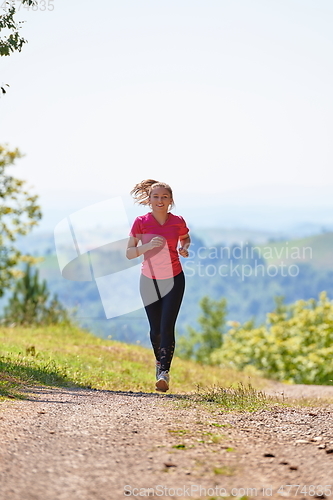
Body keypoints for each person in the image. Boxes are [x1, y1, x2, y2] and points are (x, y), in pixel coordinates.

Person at [126, 179, 191, 392]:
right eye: (156, 197)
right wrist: (146, 246)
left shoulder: (178, 221)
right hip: (149, 281)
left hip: (174, 279)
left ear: (171, 200)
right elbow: (129, 253)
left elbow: (185, 237)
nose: (160, 200)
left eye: (164, 197)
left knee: (166, 327)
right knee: (155, 331)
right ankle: (159, 365)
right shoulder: (141, 222)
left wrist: (184, 247)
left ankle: (164, 372)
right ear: (149, 200)